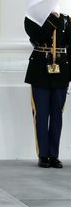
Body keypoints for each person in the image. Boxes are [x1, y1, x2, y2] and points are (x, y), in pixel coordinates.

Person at [25, 10, 71, 169]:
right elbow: (39, 37)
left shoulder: (66, 20)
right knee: (41, 114)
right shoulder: (32, 18)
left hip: (61, 72)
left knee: (57, 114)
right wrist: (52, 18)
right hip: (40, 71)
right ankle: (43, 155)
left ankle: (54, 155)